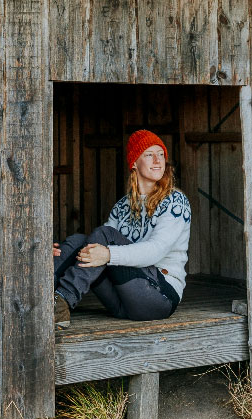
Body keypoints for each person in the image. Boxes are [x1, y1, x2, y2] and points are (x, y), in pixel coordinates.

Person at [53, 129, 191, 330]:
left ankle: (62, 299)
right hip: (120, 302)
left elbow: (156, 250)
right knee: (78, 242)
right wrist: (62, 255)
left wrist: (108, 255)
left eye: (161, 154)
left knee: (105, 236)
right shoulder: (122, 206)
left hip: (157, 297)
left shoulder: (175, 201)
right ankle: (40, 294)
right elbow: (95, 246)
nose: (157, 160)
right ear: (134, 163)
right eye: (149, 154)